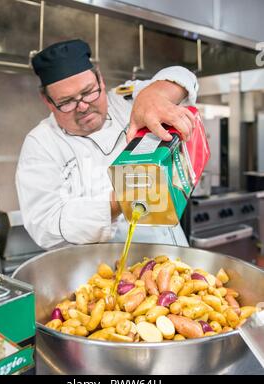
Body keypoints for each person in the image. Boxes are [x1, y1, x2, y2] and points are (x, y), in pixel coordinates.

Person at [16, 39, 198, 249]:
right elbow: (44, 225)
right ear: (47, 100)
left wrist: (154, 96)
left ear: (100, 80)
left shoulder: (126, 102)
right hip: (101, 270)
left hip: (170, 253)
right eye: (66, 102)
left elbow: (183, 76)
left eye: (89, 92)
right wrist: (121, 199)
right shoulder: (41, 143)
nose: (83, 106)